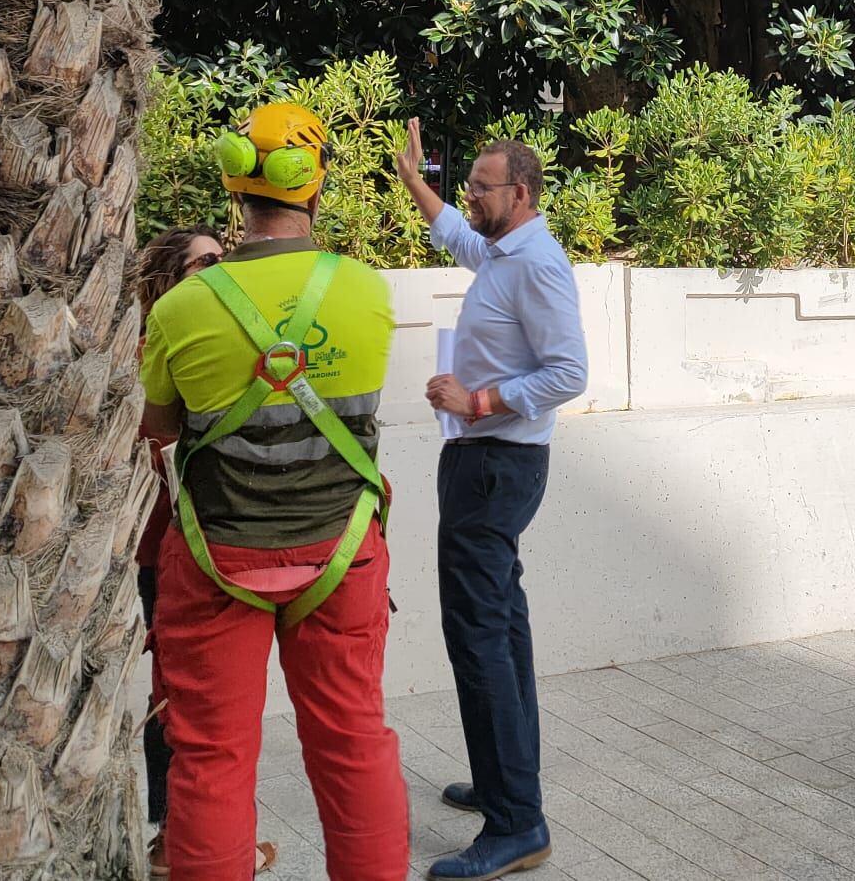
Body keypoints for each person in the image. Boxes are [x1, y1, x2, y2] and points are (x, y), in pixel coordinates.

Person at [144, 103, 408, 881]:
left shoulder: (179, 307)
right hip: (340, 550)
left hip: (216, 555)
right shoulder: (367, 292)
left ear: (236, 194)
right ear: (316, 191)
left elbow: (157, 428)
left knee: (211, 758)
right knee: (354, 741)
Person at [396, 122, 588, 881]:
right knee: (502, 628)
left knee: (478, 635)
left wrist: (478, 401)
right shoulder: (503, 251)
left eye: (481, 185)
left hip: (496, 463)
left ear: (522, 193)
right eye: (468, 183)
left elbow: (568, 373)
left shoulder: (538, 265)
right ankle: (506, 782)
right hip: (490, 464)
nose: (469, 194)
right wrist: (416, 179)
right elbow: (458, 240)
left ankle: (517, 823)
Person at [134, 226, 281, 880]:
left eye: (226, 259)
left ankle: (190, 834)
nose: (223, 271)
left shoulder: (204, 339)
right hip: (169, 542)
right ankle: (175, 840)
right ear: (169, 278)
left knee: (200, 698)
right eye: (208, 262)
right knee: (182, 698)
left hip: (208, 538)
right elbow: (153, 435)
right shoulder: (153, 346)